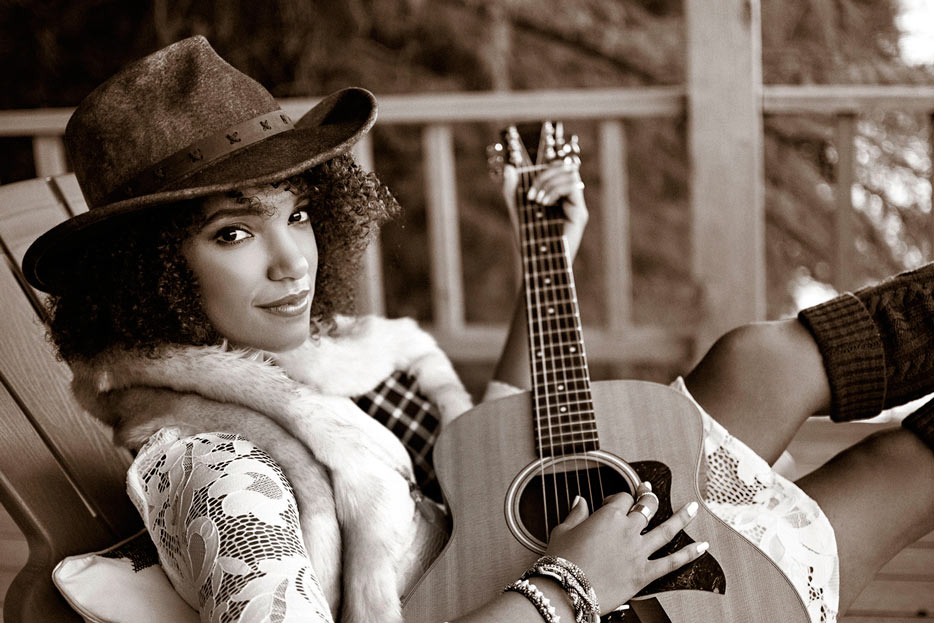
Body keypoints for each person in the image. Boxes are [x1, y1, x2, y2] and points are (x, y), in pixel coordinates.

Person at [22, 35, 933, 623]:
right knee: (904, 461)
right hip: (553, 595)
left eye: (295, 215)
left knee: (757, 356)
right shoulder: (216, 471)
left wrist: (548, 259)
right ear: (146, 275)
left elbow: (471, 455)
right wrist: (570, 585)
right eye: (233, 232)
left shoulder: (291, 379)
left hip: (506, 555)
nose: (290, 261)